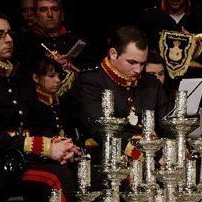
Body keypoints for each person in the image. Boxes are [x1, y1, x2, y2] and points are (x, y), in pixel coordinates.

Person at [0, 10, 80, 202]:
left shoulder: (10, 77)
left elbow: (24, 127)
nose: (9, 39)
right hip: (0, 167)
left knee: (75, 166)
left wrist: (57, 145)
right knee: (56, 178)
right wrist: (43, 147)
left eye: (9, 33)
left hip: (16, 160)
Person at [69, 25, 171, 160]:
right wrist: (152, 156)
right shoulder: (89, 82)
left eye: (142, 64)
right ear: (113, 54)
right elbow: (102, 132)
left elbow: (168, 126)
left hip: (157, 157)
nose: (138, 70)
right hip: (111, 160)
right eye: (132, 62)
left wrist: (173, 152)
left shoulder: (151, 83)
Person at [16, 0, 92, 71]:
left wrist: (72, 68)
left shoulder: (79, 41)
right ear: (35, 16)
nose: (50, 14)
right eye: (43, 10)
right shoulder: (24, 42)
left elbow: (92, 74)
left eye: (54, 9)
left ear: (62, 15)